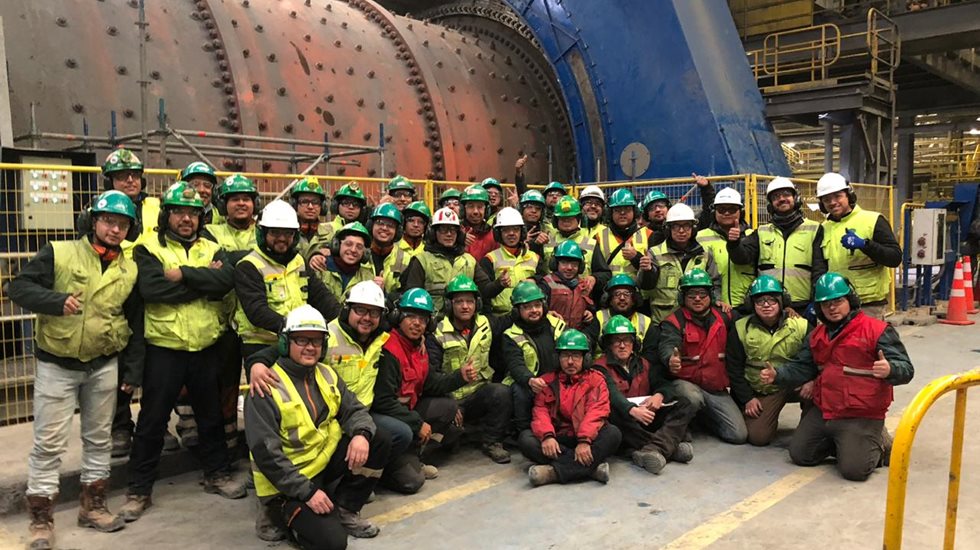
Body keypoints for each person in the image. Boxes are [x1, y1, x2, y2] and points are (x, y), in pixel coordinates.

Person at [9, 191, 143, 547]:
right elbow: (17, 287)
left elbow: (134, 320)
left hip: (103, 363)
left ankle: (93, 507)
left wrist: (132, 371)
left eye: (122, 224)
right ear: (93, 221)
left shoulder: (129, 268)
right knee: (48, 444)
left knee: (99, 439)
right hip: (57, 364)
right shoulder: (59, 253)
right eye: (109, 221)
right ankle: (40, 519)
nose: (115, 229)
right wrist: (55, 301)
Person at [245, 282, 413, 541]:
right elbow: (267, 455)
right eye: (301, 340)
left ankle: (346, 509)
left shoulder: (326, 374)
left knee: (377, 437)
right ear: (285, 343)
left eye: (316, 341)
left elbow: (355, 409)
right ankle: (274, 509)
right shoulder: (266, 387)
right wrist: (307, 492)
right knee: (332, 542)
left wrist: (361, 434)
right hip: (287, 480)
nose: (310, 347)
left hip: (321, 464)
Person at [119, 182, 245, 522]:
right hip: (165, 349)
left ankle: (217, 474)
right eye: (179, 212)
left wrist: (184, 276)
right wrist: (203, 285)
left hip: (205, 346)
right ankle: (138, 490)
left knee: (210, 416)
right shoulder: (148, 248)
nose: (187, 219)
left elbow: (225, 282)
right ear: (166, 215)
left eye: (193, 213)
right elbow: (152, 289)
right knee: (152, 421)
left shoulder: (212, 246)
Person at [760, 272, 914, 481]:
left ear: (850, 300)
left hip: (861, 412)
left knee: (854, 471)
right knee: (800, 454)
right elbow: (803, 368)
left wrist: (891, 369)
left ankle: (879, 442)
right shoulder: (817, 336)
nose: (832, 308)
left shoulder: (877, 330)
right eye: (826, 304)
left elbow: (907, 369)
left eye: (838, 301)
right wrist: (778, 374)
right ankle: (847, 444)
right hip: (826, 408)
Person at [371, 289, 478, 493]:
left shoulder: (418, 347)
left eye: (423, 319)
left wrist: (460, 377)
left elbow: (430, 383)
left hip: (405, 415)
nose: (417, 323)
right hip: (389, 420)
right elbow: (383, 402)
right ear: (398, 317)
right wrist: (418, 423)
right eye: (411, 316)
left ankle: (412, 456)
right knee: (412, 483)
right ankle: (382, 472)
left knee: (447, 407)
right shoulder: (389, 350)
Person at [97, 149, 160, 458]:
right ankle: (120, 427)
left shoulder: (157, 207)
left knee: (155, 365)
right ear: (109, 180)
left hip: (154, 291)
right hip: (119, 292)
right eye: (122, 176)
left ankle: (153, 426)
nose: (130, 180)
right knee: (117, 362)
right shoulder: (100, 210)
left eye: (134, 175)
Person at [199, 173, 260, 454]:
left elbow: (225, 265)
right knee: (224, 384)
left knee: (260, 385)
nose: (241, 204)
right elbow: (211, 266)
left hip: (255, 322)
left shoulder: (264, 230)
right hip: (223, 320)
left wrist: (229, 261)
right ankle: (227, 443)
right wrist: (250, 259)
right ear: (224, 204)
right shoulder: (210, 231)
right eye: (234, 199)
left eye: (246, 198)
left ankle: (257, 442)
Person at [234, 200, 341, 361]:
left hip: (297, 341)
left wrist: (343, 321)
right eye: (275, 233)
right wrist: (296, 328)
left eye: (288, 233)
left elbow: (321, 297)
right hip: (261, 345)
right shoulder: (249, 265)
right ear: (263, 233)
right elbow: (257, 311)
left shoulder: (299, 261)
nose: (282, 238)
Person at [518, 329, 622, 486]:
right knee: (526, 439)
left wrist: (584, 441)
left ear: (585, 358)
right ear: (557, 358)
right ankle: (591, 469)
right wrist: (547, 436)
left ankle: (552, 473)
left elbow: (597, 412)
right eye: (565, 356)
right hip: (558, 438)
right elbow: (540, 411)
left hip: (587, 436)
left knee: (613, 434)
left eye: (576, 355)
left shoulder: (596, 380)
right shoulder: (546, 381)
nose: (571, 362)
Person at [594, 316, 696, 474]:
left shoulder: (644, 363)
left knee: (684, 403)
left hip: (646, 417)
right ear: (607, 344)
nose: (622, 345)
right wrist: (632, 410)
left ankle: (653, 449)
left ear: (634, 343)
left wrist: (659, 395)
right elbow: (611, 393)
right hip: (625, 419)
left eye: (627, 340)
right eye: (616, 341)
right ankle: (669, 446)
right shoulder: (598, 367)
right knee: (611, 415)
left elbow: (663, 384)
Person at [427, 275, 513, 464]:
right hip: (450, 398)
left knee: (501, 392)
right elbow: (432, 377)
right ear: (449, 304)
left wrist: (548, 314)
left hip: (477, 394)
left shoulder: (486, 323)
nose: (465, 306)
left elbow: (513, 318)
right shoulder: (437, 332)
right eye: (459, 302)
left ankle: (492, 442)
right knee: (448, 444)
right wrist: (450, 403)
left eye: (470, 301)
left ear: (477, 304)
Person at [658, 269, 747, 445]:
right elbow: (667, 344)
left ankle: (699, 419)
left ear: (711, 295)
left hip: (714, 389)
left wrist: (787, 311)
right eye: (691, 294)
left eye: (702, 294)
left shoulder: (725, 316)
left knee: (738, 435)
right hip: (686, 385)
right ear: (682, 297)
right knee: (692, 397)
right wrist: (670, 359)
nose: (697, 298)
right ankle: (683, 420)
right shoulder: (674, 321)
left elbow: (752, 319)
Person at [727, 275, 811, 447]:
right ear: (752, 304)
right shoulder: (741, 328)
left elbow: (816, 358)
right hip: (765, 389)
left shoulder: (801, 325)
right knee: (758, 437)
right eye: (760, 301)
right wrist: (747, 398)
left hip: (794, 383)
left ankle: (810, 428)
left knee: (820, 391)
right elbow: (734, 368)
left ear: (782, 301)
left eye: (772, 300)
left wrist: (813, 381)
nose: (766, 305)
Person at [727, 177, 826, 313]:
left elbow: (819, 269)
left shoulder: (814, 229)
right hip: (769, 305)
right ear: (770, 205)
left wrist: (816, 301)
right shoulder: (761, 232)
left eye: (786, 194)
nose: (781, 199)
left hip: (802, 306)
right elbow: (742, 259)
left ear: (796, 198)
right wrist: (734, 243)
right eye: (776, 197)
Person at [815, 172, 901, 319]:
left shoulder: (873, 220)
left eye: (837, 196)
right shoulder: (823, 228)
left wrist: (865, 245)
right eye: (826, 199)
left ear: (849, 195)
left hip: (868, 305)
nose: (832, 202)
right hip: (834, 304)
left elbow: (894, 258)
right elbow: (820, 267)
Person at [639, 203, 722, 323]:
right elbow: (645, 287)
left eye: (686, 226)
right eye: (676, 226)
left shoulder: (704, 254)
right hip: (664, 321)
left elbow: (715, 283)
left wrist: (717, 300)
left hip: (697, 322)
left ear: (693, 229)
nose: (681, 231)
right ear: (668, 229)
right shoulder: (655, 253)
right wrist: (648, 271)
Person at [502, 281, 567, 432]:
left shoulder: (557, 325)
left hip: (557, 379)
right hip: (530, 383)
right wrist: (530, 380)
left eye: (537, 305)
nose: (534, 310)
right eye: (527, 307)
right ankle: (524, 431)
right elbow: (515, 365)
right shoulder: (510, 335)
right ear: (517, 311)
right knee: (520, 390)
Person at [400, 207, 492, 312]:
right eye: (443, 230)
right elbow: (412, 297)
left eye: (453, 230)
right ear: (433, 233)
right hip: (433, 319)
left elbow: (486, 290)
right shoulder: (422, 260)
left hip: (464, 319)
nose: (449, 234)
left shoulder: (469, 260)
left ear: (459, 234)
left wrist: (500, 283)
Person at [695, 188, 756, 309]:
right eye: (722, 209)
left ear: (741, 212)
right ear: (714, 212)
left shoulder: (752, 236)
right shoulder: (700, 237)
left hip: (747, 307)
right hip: (713, 307)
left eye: (732, 209)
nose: (727, 213)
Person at [581, 273, 658, 366]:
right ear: (609, 299)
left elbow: (651, 357)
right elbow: (586, 340)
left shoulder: (645, 322)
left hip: (635, 370)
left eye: (627, 294)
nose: (622, 298)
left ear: (634, 299)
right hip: (602, 369)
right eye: (617, 294)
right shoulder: (599, 317)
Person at [545, 195, 612, 301]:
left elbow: (605, 274)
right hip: (552, 301)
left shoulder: (590, 243)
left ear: (579, 219)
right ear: (555, 220)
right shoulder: (546, 242)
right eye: (562, 218)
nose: (566, 221)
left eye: (571, 217)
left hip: (581, 301)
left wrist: (594, 278)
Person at [480, 206, 544, 315]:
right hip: (500, 316)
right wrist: (499, 284)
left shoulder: (535, 258)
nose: (511, 233)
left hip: (529, 315)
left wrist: (534, 280)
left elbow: (546, 285)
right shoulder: (489, 259)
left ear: (522, 232)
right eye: (506, 230)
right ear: (498, 233)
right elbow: (484, 293)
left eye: (515, 229)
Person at [538, 240, 595, 330]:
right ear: (555, 264)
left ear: (580, 267)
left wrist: (589, 313)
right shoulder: (546, 284)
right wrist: (547, 314)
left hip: (577, 335)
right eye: (564, 263)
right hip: (552, 334)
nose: (569, 268)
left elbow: (591, 307)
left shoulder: (584, 286)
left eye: (574, 264)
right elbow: (537, 311)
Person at [594, 188, 649, 278]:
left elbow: (654, 271)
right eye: (617, 209)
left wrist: (636, 257)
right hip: (609, 286)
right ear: (611, 213)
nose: (622, 213)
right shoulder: (598, 237)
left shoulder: (648, 234)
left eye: (627, 209)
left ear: (634, 211)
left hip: (638, 287)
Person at [318, 222, 377, 300]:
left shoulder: (368, 278)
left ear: (365, 253)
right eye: (348, 244)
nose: (353, 250)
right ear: (336, 245)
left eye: (359, 247)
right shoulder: (320, 267)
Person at [365, 204, 411, 293]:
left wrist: (385, 293)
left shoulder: (406, 259)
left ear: (397, 231)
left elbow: (405, 292)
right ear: (371, 226)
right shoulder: (359, 254)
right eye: (380, 223)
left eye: (390, 225)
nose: (384, 228)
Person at [289, 177, 328, 259]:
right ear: (295, 204)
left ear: (322, 206)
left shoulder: (332, 233)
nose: (310, 207)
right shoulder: (286, 233)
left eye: (315, 202)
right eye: (304, 201)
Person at [319, 181, 368, 246]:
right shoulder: (323, 229)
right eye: (346, 203)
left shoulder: (364, 233)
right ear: (336, 205)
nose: (351, 207)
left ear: (362, 210)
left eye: (356, 204)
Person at [459, 184, 499, 262]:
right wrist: (458, 242)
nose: (475, 211)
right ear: (463, 209)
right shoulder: (455, 232)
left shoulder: (493, 235)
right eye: (471, 206)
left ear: (486, 210)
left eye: (480, 207)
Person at [518, 190, 554, 256]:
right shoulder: (514, 228)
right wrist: (521, 242)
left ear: (542, 213)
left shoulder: (549, 229)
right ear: (522, 210)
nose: (534, 211)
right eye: (529, 207)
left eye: (538, 208)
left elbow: (551, 257)